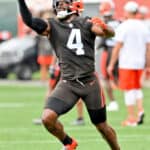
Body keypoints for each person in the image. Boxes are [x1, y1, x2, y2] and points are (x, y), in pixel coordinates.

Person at [18, 0, 120, 149]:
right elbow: (29, 21)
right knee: (47, 118)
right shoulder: (52, 25)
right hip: (68, 83)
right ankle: (68, 143)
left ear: (75, 5)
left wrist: (105, 26)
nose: (59, 6)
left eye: (64, 3)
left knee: (102, 126)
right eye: (58, 3)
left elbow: (108, 34)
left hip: (89, 83)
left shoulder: (86, 22)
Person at [108, 1, 150, 126]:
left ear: (127, 12)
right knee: (137, 88)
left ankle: (131, 118)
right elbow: (148, 48)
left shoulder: (124, 26)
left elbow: (117, 47)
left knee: (128, 90)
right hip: (139, 62)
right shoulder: (143, 26)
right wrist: (148, 64)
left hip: (127, 62)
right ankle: (140, 110)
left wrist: (111, 64)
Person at [96, 1, 120, 111]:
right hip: (119, 52)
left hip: (109, 51)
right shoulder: (119, 22)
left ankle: (114, 102)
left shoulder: (104, 23)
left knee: (105, 77)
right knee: (116, 78)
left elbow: (102, 41)